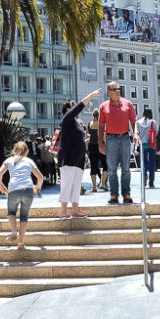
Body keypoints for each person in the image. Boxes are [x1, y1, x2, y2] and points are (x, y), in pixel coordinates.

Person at [58, 90, 101, 218]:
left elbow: (79, 140)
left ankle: (75, 210)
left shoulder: (76, 124)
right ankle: (63, 212)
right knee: (66, 184)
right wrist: (92, 94)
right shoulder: (67, 119)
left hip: (78, 158)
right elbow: (82, 105)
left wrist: (85, 152)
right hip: (68, 158)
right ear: (68, 109)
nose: (75, 108)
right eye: (73, 106)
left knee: (76, 185)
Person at [0, 142, 43, 249]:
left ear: (14, 150)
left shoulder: (9, 160)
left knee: (11, 212)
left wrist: (0, 186)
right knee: (24, 216)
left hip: (14, 189)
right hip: (28, 189)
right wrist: (37, 187)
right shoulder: (29, 161)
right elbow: (40, 177)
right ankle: (21, 242)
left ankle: (14, 231)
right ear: (27, 151)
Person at [97, 81, 140, 204]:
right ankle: (114, 196)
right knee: (111, 169)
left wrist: (135, 133)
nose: (117, 91)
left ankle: (126, 194)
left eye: (119, 88)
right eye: (114, 89)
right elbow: (100, 126)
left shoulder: (128, 104)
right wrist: (100, 143)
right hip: (110, 139)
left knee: (126, 169)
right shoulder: (103, 107)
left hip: (125, 138)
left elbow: (133, 121)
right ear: (109, 92)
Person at [137, 108, 158, 188]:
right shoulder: (153, 122)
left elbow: (137, 133)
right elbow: (156, 133)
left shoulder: (139, 122)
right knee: (152, 164)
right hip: (152, 145)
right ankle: (151, 182)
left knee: (144, 163)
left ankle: (144, 175)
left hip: (143, 145)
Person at [87, 109, 107, 192]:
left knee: (93, 166)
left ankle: (94, 187)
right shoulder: (102, 124)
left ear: (93, 116)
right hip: (100, 145)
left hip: (91, 147)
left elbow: (87, 137)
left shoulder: (89, 124)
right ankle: (102, 183)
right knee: (105, 165)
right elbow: (104, 136)